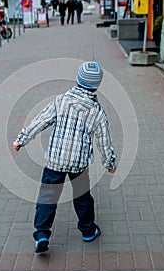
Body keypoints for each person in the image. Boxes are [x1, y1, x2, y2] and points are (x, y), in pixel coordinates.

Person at [13, 62, 116, 254]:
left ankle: (42, 234)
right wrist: (109, 162)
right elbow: (104, 140)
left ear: (78, 79)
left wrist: (21, 139)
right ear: (96, 85)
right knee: (82, 197)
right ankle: (88, 230)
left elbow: (40, 121)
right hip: (78, 164)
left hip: (55, 161)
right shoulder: (97, 112)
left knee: (47, 197)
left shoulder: (60, 101)